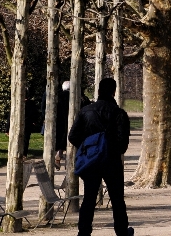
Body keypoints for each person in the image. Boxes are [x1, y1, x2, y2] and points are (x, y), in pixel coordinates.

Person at [68, 78, 133, 236]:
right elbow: (123, 142)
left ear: (98, 91)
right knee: (117, 199)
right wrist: (112, 149)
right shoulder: (119, 113)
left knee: (89, 198)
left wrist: (88, 146)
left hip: (91, 160)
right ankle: (121, 231)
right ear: (114, 92)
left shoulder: (86, 111)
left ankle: (84, 231)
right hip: (111, 161)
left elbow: (73, 136)